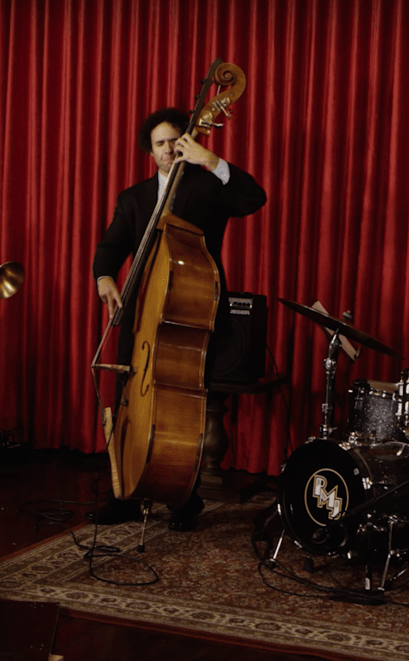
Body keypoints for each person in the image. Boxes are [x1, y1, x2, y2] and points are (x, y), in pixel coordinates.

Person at [90, 107, 267, 529]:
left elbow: (253, 198)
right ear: (149, 152)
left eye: (174, 140)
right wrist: (104, 276)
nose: (168, 149)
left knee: (184, 410)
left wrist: (211, 160)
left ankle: (183, 498)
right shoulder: (133, 198)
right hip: (139, 312)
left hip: (188, 311)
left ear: (186, 141)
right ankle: (124, 493)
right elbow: (112, 244)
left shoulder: (208, 185)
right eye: (160, 143)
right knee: (129, 398)